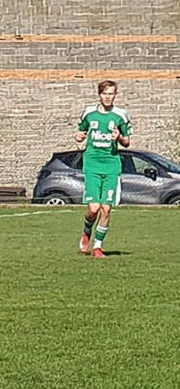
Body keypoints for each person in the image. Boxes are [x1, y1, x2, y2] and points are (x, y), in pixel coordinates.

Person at [74, 80, 131, 259]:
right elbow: (80, 133)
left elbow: (127, 142)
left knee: (106, 208)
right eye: (105, 94)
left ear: (115, 95)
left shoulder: (120, 115)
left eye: (111, 93)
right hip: (92, 164)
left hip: (111, 166)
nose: (107, 97)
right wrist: (78, 136)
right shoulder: (89, 113)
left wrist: (119, 138)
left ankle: (97, 247)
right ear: (99, 95)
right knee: (93, 209)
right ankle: (87, 229)